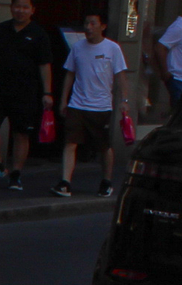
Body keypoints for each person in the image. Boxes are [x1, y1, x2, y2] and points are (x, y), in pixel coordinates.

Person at [0, 0, 53, 193]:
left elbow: (45, 65)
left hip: (26, 91)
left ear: (32, 10)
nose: (21, 11)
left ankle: (16, 174)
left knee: (21, 134)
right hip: (0, 88)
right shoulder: (1, 30)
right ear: (11, 7)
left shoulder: (39, 34)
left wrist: (47, 92)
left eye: (25, 7)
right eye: (17, 6)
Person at [54, 10, 129, 198]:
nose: (88, 27)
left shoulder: (113, 48)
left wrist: (124, 101)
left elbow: (120, 76)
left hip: (101, 106)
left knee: (104, 146)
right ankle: (65, 182)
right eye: (86, 23)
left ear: (102, 26)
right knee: (70, 142)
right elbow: (70, 73)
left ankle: (106, 181)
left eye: (93, 23)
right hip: (77, 103)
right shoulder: (77, 48)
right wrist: (64, 99)